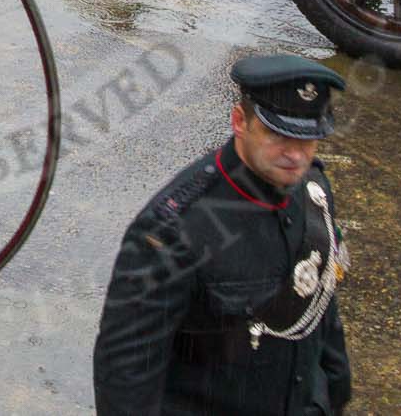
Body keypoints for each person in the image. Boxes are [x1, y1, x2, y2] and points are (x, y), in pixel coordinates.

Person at [92, 56, 353, 416]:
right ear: (239, 122)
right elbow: (126, 376)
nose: (295, 155)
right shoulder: (174, 232)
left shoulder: (313, 191)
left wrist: (336, 390)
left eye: (308, 138)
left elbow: (320, 303)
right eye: (278, 135)